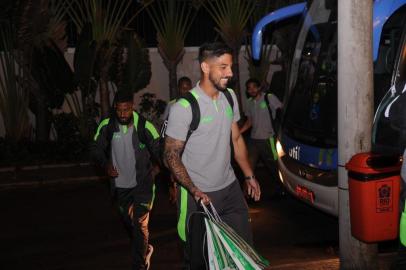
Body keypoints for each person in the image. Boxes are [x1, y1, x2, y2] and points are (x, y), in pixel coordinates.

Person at [164, 42, 261, 268]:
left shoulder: (230, 97)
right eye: (223, 67)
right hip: (199, 197)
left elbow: (236, 138)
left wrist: (248, 175)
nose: (230, 73)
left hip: (230, 189)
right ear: (205, 67)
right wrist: (194, 190)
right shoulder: (185, 107)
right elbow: (171, 156)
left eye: (230, 67)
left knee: (244, 253)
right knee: (200, 260)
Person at [91, 91, 160, 270]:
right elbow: (96, 149)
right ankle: (144, 246)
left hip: (143, 185)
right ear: (115, 108)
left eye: (127, 110)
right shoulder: (107, 125)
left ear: (132, 107)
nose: (123, 114)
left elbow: (160, 151)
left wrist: (162, 171)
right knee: (130, 222)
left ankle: (140, 264)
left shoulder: (144, 126)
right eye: (120, 110)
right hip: (120, 186)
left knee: (139, 224)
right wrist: (106, 165)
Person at [240, 78, 284, 197]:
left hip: (268, 139)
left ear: (259, 87)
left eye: (254, 87)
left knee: (274, 167)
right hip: (254, 141)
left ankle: (282, 188)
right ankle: (246, 194)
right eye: (249, 88)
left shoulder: (269, 98)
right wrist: (238, 132)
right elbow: (249, 122)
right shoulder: (249, 102)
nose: (252, 90)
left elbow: (282, 110)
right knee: (248, 167)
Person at [161, 76, 193, 204]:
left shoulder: (196, 102)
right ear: (179, 89)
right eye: (183, 88)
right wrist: (164, 142)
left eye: (187, 87)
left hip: (190, 143)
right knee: (174, 167)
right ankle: (174, 190)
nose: (185, 90)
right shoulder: (172, 104)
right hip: (176, 142)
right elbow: (165, 124)